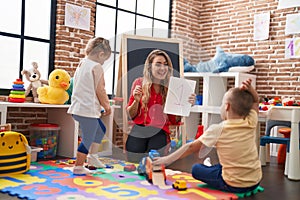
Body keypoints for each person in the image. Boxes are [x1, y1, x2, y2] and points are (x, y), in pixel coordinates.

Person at [153, 78, 262, 193]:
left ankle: (209, 167)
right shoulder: (251, 121)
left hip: (233, 184)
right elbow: (255, 102)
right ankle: (212, 167)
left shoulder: (219, 129)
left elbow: (190, 147)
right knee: (222, 166)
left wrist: (166, 160)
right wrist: (251, 90)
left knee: (196, 169)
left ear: (227, 107)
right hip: (255, 181)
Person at [125, 49, 196, 163]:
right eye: (158, 64)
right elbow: (130, 114)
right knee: (134, 156)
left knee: (154, 159)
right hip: (140, 128)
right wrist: (136, 101)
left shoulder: (172, 88)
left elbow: (174, 120)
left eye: (165, 64)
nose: (162, 68)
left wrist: (186, 105)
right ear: (149, 67)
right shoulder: (139, 83)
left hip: (160, 130)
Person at [67, 37, 112, 175]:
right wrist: (107, 105)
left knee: (100, 129)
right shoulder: (96, 66)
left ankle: (93, 157)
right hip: (87, 109)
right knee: (88, 137)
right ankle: (78, 166)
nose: (104, 62)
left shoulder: (82, 64)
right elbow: (101, 89)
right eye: (105, 59)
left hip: (79, 107)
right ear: (100, 54)